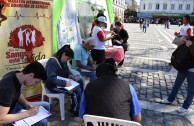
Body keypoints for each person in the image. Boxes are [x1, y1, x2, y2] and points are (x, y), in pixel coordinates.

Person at [0, 62, 50, 126]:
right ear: (31, 75)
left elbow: (17, 93)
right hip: (6, 117)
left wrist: (27, 104)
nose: (35, 85)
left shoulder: (16, 75)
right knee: (43, 123)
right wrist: (27, 113)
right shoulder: (8, 88)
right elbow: (1, 119)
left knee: (46, 105)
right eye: (36, 82)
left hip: (13, 106)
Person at [45, 45, 83, 116]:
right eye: (68, 58)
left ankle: (81, 103)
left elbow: (67, 70)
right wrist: (64, 83)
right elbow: (51, 78)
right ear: (63, 54)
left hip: (60, 82)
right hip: (52, 86)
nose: (67, 60)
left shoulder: (63, 60)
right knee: (76, 90)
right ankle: (75, 110)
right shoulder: (52, 62)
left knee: (80, 81)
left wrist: (70, 75)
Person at [162, 38, 194, 115]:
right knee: (177, 85)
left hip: (192, 69)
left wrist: (190, 46)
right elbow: (178, 42)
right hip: (183, 66)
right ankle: (170, 99)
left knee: (191, 90)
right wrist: (182, 39)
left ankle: (185, 107)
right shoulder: (192, 37)